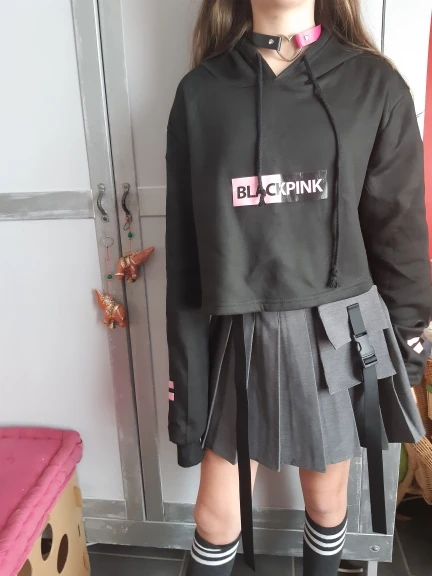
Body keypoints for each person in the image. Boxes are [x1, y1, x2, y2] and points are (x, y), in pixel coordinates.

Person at [165, 1, 431, 575]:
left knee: (328, 503)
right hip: (239, 332)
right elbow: (185, 257)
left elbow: (400, 228)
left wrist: (410, 347)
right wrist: (186, 389)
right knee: (215, 517)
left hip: (340, 331)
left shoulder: (375, 84)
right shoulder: (200, 93)